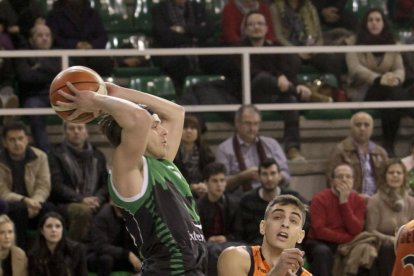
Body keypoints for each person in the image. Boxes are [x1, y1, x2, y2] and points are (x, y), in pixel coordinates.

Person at [55, 80, 207, 274]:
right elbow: (139, 118)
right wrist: (96, 99)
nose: (164, 131)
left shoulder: (164, 162)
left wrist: (119, 92)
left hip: (195, 268)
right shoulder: (129, 168)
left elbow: (177, 112)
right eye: (155, 126)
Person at [237, 11, 311, 161]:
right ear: (245, 29)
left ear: (266, 28)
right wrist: (278, 76)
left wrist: (296, 84)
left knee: (290, 100)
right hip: (250, 94)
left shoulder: (275, 47)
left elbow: (288, 72)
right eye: (251, 24)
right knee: (262, 78)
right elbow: (251, 73)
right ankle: (299, 92)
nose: (255, 27)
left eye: (259, 24)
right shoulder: (238, 49)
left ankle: (292, 149)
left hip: (275, 94)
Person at [345, 8, 412, 156]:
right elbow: (354, 69)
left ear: (384, 23)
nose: (374, 23)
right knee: (392, 92)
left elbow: (400, 68)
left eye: (378, 20)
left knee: (391, 103)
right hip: (363, 90)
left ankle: (388, 147)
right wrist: (378, 78)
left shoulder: (392, 43)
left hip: (389, 89)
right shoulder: (353, 43)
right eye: (370, 20)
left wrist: (396, 78)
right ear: (365, 23)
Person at [217, 194, 312, 276]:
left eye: (293, 220)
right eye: (277, 217)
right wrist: (276, 273)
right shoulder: (235, 257)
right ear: (263, 227)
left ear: (301, 236)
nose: (285, 224)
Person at [215, 104, 291, 201]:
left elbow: (286, 175)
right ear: (237, 123)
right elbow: (220, 183)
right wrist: (242, 177)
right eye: (248, 124)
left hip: (271, 198)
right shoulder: (224, 149)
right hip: (239, 200)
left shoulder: (271, 144)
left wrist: (273, 177)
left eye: (256, 124)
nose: (252, 128)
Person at [48, 122, 109, 242]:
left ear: (86, 132)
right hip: (67, 202)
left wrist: (98, 199)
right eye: (71, 128)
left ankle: (103, 251)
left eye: (80, 128)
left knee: (114, 210)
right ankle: (74, 249)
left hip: (95, 201)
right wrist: (80, 199)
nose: (76, 131)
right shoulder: (56, 154)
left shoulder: (97, 155)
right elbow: (56, 185)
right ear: (65, 132)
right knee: (82, 211)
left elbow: (106, 184)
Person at [304, 163, 366, 276]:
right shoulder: (319, 199)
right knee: (322, 252)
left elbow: (356, 229)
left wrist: (344, 203)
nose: (344, 180)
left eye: (348, 177)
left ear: (353, 180)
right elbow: (318, 230)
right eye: (340, 176)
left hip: (349, 243)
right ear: (332, 181)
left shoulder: (359, 201)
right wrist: (347, 239)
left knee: (364, 251)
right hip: (321, 242)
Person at [0, 121, 53, 250]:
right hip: (12, 205)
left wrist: (35, 202)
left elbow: (44, 185)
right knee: (19, 209)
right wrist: (25, 200)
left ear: (27, 139)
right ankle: (21, 253)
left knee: (50, 209)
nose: (17, 143)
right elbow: (2, 191)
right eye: (12, 140)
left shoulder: (40, 156)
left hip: (35, 203)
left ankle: (46, 254)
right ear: (5, 142)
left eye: (20, 138)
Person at [236, 158, 307, 245]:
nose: (269, 178)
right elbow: (240, 232)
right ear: (258, 176)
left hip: (287, 244)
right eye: (265, 174)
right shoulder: (247, 200)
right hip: (256, 247)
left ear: (280, 176)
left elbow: (304, 224)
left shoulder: (293, 198)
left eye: (273, 173)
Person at [269, 0, 344, 82]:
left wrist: (315, 49)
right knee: (292, 61)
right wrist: (297, 51)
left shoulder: (310, 7)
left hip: (311, 49)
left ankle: (337, 90)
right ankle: (293, 91)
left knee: (331, 60)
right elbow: (279, 37)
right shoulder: (276, 7)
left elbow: (319, 37)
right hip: (289, 49)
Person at [14, 23, 61, 152]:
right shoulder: (23, 54)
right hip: (34, 96)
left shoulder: (60, 54)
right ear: (31, 39)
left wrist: (39, 68)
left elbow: (66, 75)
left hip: (58, 95)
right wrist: (51, 72)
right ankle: (46, 154)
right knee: (34, 108)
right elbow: (25, 77)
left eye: (47, 35)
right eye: (40, 35)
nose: (45, 38)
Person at [152, 0, 215, 89]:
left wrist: (184, 29)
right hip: (173, 55)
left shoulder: (198, 8)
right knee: (178, 66)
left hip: (199, 53)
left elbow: (208, 31)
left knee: (220, 62)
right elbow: (165, 36)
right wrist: (193, 38)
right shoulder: (160, 9)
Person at [365, 161, 414, 276]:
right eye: (391, 172)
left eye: (399, 173)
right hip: (380, 243)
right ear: (384, 176)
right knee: (388, 247)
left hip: (406, 241)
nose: (395, 175)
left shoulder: (411, 201)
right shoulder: (374, 200)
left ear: (404, 176)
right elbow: (371, 230)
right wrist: (392, 239)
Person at [327, 111, 389, 197]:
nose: (362, 128)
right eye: (358, 125)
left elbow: (387, 181)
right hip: (350, 200)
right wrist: (356, 197)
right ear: (351, 128)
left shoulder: (380, 152)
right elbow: (331, 181)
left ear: (372, 129)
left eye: (366, 125)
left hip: (377, 202)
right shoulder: (340, 150)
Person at [46, 0, 113, 76]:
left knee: (105, 62)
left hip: (91, 55)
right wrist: (75, 44)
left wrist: (91, 45)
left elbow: (103, 37)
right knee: (74, 63)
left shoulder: (93, 14)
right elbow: (54, 38)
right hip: (67, 54)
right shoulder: (54, 15)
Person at [197, 162, 241, 276]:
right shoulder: (197, 206)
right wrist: (208, 239)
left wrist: (225, 238)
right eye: (215, 181)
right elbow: (194, 232)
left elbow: (239, 231)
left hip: (228, 243)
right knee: (211, 250)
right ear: (206, 183)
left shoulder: (234, 204)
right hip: (205, 244)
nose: (219, 184)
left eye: (222, 180)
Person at [86, 202, 142, 276]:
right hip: (95, 255)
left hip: (117, 255)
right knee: (107, 260)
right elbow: (100, 246)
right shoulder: (102, 216)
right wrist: (128, 254)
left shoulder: (130, 216)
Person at [28, 211, 88, 276]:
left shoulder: (77, 250)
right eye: (49, 226)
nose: (54, 230)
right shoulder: (34, 255)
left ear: (62, 230)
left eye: (58, 226)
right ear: (42, 231)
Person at [174, 115, 215, 198]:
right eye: (185, 128)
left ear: (198, 132)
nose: (189, 131)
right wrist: (190, 187)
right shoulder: (172, 152)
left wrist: (204, 185)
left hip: (204, 189)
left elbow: (211, 172)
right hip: (179, 192)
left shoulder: (206, 152)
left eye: (193, 128)